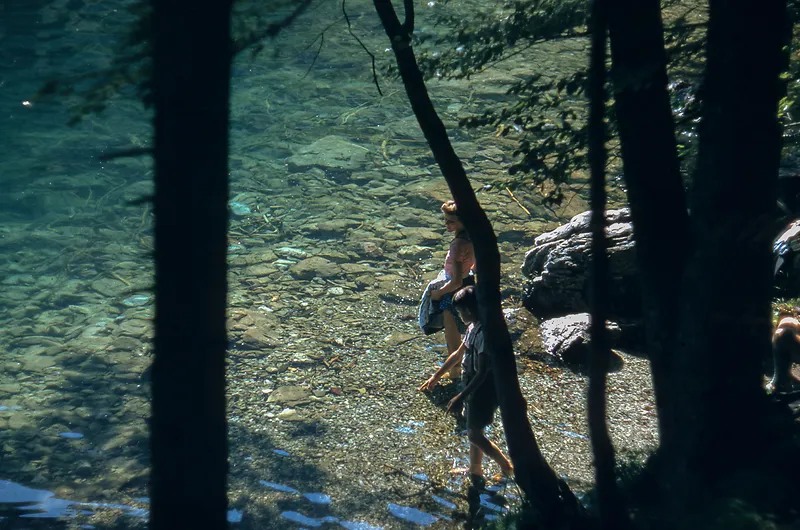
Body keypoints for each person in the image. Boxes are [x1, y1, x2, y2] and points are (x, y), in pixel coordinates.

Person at [419, 286, 513, 486]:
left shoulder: (484, 335)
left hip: (483, 390)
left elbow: (482, 372)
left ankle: (505, 466)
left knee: (474, 433)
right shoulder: (473, 328)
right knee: (474, 428)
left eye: (460, 312)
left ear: (468, 312)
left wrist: (460, 396)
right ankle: (475, 468)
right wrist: (436, 376)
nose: (459, 316)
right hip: (471, 386)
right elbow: (458, 354)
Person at [430, 200, 475, 378]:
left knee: (452, 334)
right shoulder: (474, 237)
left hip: (455, 290)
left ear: (463, 221)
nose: (446, 224)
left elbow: (456, 282)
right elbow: (475, 267)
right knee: (469, 328)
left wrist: (438, 293)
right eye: (445, 220)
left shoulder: (457, 245)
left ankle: (455, 372)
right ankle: (466, 363)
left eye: (451, 221)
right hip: (470, 283)